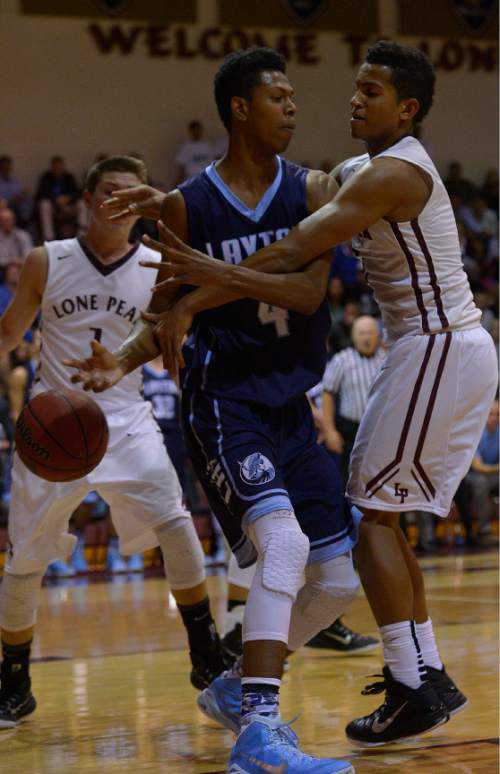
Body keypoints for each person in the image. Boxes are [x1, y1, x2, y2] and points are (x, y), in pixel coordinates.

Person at [128, 41, 498, 746]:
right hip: (427, 349)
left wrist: (197, 287)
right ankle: (420, 676)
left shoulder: (392, 172)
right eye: (355, 89)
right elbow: (298, 190)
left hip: (438, 343)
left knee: (373, 522)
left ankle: (413, 682)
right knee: (376, 520)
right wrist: (178, 203)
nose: (352, 100)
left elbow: (293, 253)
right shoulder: (359, 169)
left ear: (408, 109)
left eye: (372, 92)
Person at [68, 48, 358, 774]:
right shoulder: (188, 204)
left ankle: (233, 689)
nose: (294, 106)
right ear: (239, 109)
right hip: (226, 401)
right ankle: (259, 732)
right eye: (278, 96)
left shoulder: (314, 188)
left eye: (294, 96)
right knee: (285, 549)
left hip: (293, 402)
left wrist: (205, 288)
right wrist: (118, 360)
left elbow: (307, 292)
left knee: (338, 582)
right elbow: (163, 314)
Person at [0, 155, 227, 729]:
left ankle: (205, 654)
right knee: (24, 561)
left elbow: (177, 342)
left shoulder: (160, 264)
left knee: (177, 525)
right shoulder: (45, 260)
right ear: (86, 198)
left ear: (144, 202)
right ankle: (14, 683)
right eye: (108, 189)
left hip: (126, 419)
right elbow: (8, 335)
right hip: (54, 424)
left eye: (132, 191)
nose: (119, 199)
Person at [322, 315, 385, 485]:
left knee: (380, 481)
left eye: (370, 333)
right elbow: (327, 393)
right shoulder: (342, 360)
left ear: (378, 336)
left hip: (381, 431)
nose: (366, 338)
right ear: (353, 336)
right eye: (361, 333)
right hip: (351, 432)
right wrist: (329, 430)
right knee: (351, 482)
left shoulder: (387, 359)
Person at [467, 399, 499, 542]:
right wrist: (496, 468)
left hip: (493, 475)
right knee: (481, 482)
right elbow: (478, 466)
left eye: (498, 414)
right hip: (473, 475)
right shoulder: (476, 433)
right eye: (491, 414)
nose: (494, 417)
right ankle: (483, 530)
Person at [174, 121, 213, 185]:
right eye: (195, 130)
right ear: (191, 131)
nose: (197, 133)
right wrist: (178, 181)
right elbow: (181, 166)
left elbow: (211, 163)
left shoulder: (206, 146)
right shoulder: (186, 147)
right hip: (191, 180)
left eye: (199, 130)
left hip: (205, 180)